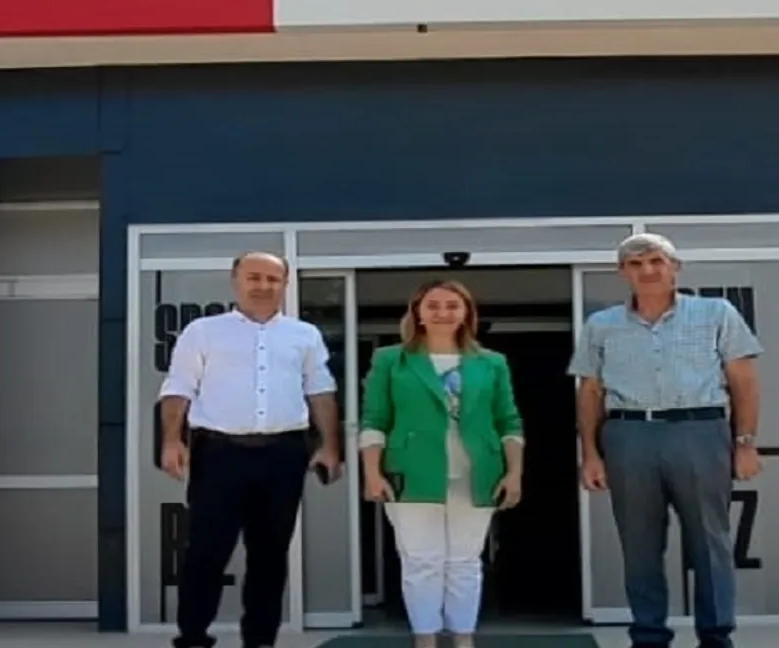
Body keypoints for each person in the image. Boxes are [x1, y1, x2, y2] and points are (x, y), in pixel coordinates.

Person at [568, 234, 764, 648]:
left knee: (710, 539)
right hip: (629, 434)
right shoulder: (601, 325)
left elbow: (743, 379)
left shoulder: (716, 313)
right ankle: (649, 635)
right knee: (639, 544)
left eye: (656, 261)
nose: (648, 270)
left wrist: (744, 442)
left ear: (676, 267)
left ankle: (716, 636)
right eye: (635, 264)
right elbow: (590, 391)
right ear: (622, 272)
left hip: (699, 430)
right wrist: (591, 453)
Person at [158, 251, 343, 648]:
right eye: (254, 277)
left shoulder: (304, 335)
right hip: (218, 455)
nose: (263, 286)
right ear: (235, 281)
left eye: (273, 279)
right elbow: (178, 387)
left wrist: (330, 446)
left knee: (270, 554)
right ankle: (193, 636)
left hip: (283, 456)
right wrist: (172, 440)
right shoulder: (203, 331)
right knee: (206, 551)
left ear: (285, 285)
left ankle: (260, 641)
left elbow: (320, 390)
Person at [358, 279, 526, 648]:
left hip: (477, 473)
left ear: (466, 313)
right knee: (421, 561)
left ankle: (463, 638)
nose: (442, 313)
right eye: (433, 305)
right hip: (410, 472)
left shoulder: (491, 362)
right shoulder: (391, 360)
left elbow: (508, 421)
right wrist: (372, 472)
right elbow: (374, 419)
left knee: (465, 562)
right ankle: (425, 639)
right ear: (417, 312)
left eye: (452, 305)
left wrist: (514, 472)